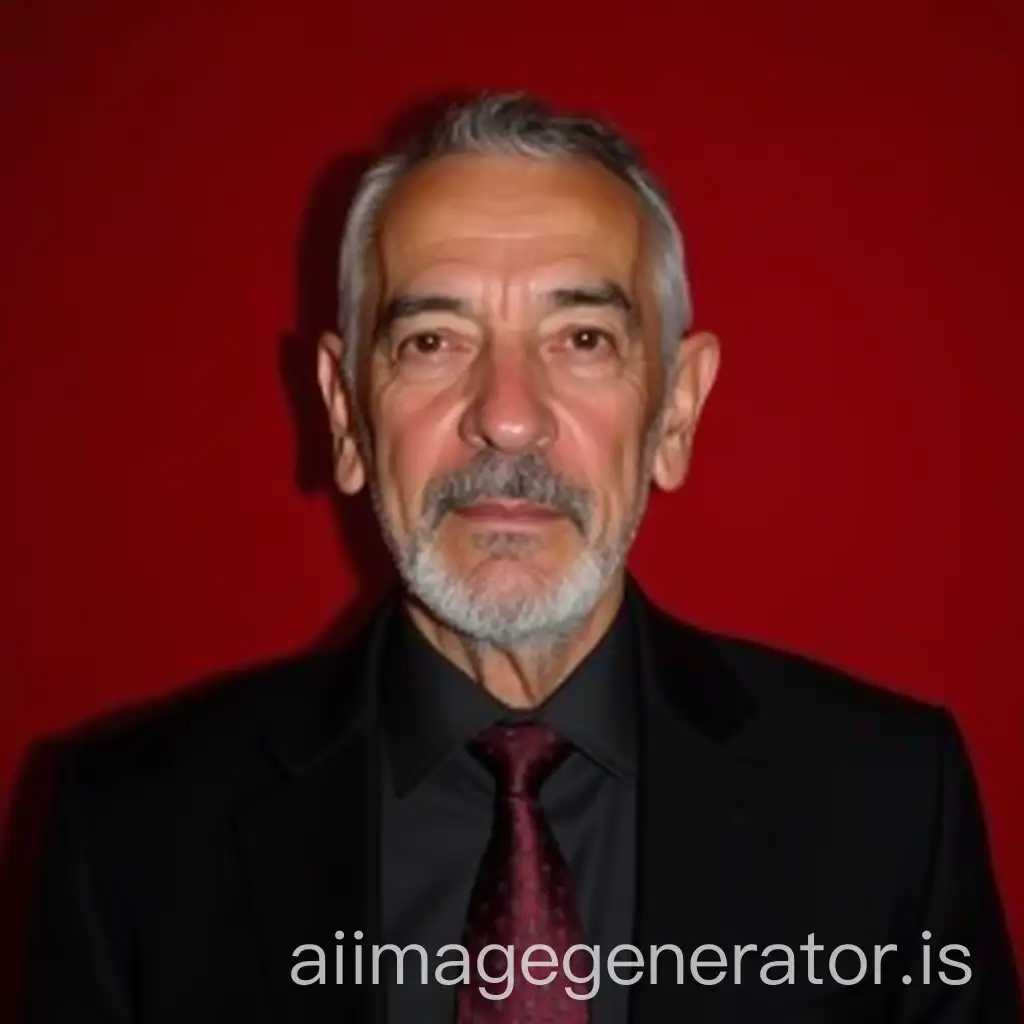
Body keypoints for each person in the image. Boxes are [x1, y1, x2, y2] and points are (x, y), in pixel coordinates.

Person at [21, 92, 1020, 1024]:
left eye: (581, 337)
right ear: (345, 416)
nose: (506, 417)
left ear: (676, 413)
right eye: (432, 342)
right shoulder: (128, 833)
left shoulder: (888, 805)